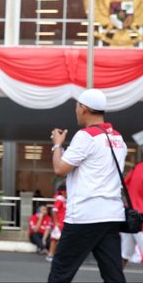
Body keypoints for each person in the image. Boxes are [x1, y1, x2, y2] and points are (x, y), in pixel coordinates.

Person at [48, 88, 127, 282]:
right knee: (113, 274)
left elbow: (60, 168)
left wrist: (57, 145)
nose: (76, 110)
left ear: (83, 108)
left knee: (60, 271)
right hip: (111, 214)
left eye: (76, 106)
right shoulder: (118, 138)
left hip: (85, 215)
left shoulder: (86, 136)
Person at [121, 161, 143, 268]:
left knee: (124, 254)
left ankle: (114, 278)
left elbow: (125, 184)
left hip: (130, 216)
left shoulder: (137, 167)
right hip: (141, 218)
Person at [46, 185, 66, 262]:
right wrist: (56, 222)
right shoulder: (60, 200)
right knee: (55, 239)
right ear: (64, 191)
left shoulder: (62, 200)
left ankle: (52, 254)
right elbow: (54, 210)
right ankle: (50, 254)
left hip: (61, 223)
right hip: (59, 224)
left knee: (57, 239)